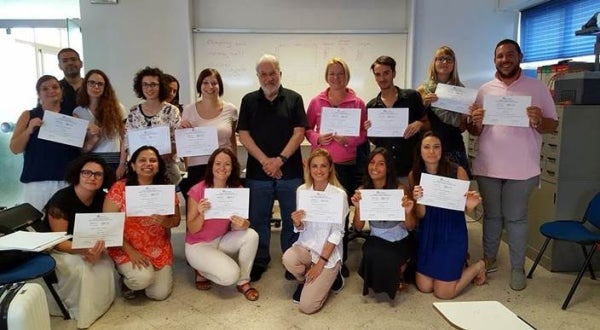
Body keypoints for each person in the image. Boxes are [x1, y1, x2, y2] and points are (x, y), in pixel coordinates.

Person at [467, 39, 558, 291]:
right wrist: (474, 122)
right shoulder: (485, 90)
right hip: (488, 166)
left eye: (509, 55)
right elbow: (475, 131)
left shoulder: (537, 88)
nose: (504, 60)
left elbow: (553, 124)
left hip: (523, 168)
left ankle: (517, 268)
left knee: (516, 219)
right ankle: (489, 260)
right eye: (499, 56)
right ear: (494, 59)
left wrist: (539, 121)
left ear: (519, 56)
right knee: (493, 217)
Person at [237, 54, 308, 282]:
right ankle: (259, 260)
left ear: (280, 73)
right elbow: (244, 134)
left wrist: (279, 160)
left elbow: (300, 133)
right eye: (264, 74)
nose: (269, 78)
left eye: (272, 73)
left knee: (292, 219)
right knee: (258, 219)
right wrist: (266, 161)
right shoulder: (248, 100)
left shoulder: (294, 99)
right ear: (258, 76)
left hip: (290, 171)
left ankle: (291, 259)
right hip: (258, 173)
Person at [305, 57, 367, 277]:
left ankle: (340, 259)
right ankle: (314, 254)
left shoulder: (358, 103)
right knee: (319, 211)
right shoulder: (316, 101)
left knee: (341, 215)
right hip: (321, 167)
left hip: (346, 165)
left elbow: (363, 134)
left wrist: (348, 140)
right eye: (332, 73)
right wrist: (317, 138)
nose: (336, 77)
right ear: (326, 76)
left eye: (340, 73)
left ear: (346, 76)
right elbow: (306, 129)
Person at [409, 131, 487, 299]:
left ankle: (479, 266)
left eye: (436, 147)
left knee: (443, 293)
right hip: (429, 232)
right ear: (420, 151)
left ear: (442, 150)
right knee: (424, 287)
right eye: (427, 147)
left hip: (452, 231)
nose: (432, 152)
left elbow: (465, 209)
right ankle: (456, 267)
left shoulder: (457, 171)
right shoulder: (414, 174)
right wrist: (418, 200)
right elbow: (420, 215)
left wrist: (471, 207)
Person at [43, 154, 117, 328]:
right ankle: (79, 309)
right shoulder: (61, 200)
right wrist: (85, 251)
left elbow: (106, 228)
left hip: (90, 244)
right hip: (60, 248)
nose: (92, 177)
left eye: (98, 174)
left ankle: (100, 304)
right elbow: (59, 241)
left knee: (105, 263)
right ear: (78, 174)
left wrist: (97, 249)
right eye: (87, 172)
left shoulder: (102, 197)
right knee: (82, 267)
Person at [104, 145, 181, 300]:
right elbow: (109, 224)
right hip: (126, 246)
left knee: (159, 294)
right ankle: (127, 281)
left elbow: (176, 220)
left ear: (159, 166)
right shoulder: (120, 188)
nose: (148, 164)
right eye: (142, 160)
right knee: (141, 280)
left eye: (153, 160)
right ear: (133, 165)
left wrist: (166, 221)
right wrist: (130, 251)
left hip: (158, 247)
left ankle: (146, 275)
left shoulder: (165, 189)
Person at [185, 148, 259, 301]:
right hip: (198, 245)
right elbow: (192, 229)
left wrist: (244, 223)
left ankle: (244, 281)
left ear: (233, 168)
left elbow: (238, 225)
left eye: (227, 164)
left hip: (221, 239)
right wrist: (201, 213)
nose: (222, 168)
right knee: (229, 276)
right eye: (218, 163)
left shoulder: (236, 189)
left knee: (251, 235)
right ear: (211, 166)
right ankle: (201, 270)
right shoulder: (197, 190)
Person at [283, 148, 348, 314]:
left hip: (328, 254)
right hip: (306, 247)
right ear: (309, 169)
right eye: (315, 166)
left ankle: (332, 276)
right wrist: (297, 223)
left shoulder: (339, 195)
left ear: (330, 168)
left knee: (307, 307)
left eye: (323, 166)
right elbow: (302, 228)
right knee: (289, 258)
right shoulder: (302, 191)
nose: (319, 171)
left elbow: (337, 233)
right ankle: (306, 280)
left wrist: (320, 264)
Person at [350, 147, 417, 300]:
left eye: (381, 163)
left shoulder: (400, 189)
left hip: (400, 238)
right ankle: (395, 272)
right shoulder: (363, 191)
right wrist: (358, 208)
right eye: (372, 162)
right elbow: (358, 227)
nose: (375, 167)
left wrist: (407, 212)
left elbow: (411, 226)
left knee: (389, 257)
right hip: (376, 238)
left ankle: (400, 269)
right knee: (372, 253)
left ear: (388, 167)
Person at [9, 75, 80, 211]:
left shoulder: (72, 116)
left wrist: (92, 136)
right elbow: (15, 148)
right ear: (38, 93)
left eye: (55, 87)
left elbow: (82, 150)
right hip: (37, 181)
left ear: (61, 91)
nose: (51, 91)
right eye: (45, 88)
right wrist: (29, 129)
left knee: (66, 222)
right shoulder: (28, 115)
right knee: (38, 224)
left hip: (67, 180)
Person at [364, 56, 429, 187]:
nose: (382, 78)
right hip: (385, 172)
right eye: (378, 74)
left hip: (410, 167)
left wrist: (419, 124)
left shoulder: (412, 97)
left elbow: (428, 125)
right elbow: (376, 141)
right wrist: (368, 130)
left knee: (412, 205)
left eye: (386, 73)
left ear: (393, 73)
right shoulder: (371, 106)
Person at [180, 68, 238, 195]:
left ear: (220, 86)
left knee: (223, 205)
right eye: (205, 82)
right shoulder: (188, 110)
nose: (210, 87)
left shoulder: (231, 110)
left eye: (214, 83)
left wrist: (235, 163)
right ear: (199, 85)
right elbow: (185, 143)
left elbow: (232, 138)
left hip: (223, 166)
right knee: (198, 207)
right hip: (197, 166)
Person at [417, 46, 471, 178]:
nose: (445, 63)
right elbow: (418, 124)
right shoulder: (423, 90)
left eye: (449, 59)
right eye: (440, 59)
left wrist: (465, 115)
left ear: (454, 64)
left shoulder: (461, 91)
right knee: (431, 193)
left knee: (457, 193)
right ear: (434, 63)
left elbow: (462, 128)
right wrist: (424, 104)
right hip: (431, 150)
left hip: (454, 147)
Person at [125, 67, 182, 185]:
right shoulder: (134, 112)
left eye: (153, 84)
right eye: (145, 84)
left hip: (166, 166)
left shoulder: (172, 111)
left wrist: (155, 157)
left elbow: (179, 141)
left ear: (161, 86)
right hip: (140, 168)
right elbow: (127, 140)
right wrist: (122, 164)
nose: (149, 88)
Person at [73, 69, 127, 178]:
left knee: (113, 194)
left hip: (115, 160)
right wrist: (94, 139)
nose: (96, 86)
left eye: (100, 84)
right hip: (90, 162)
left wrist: (122, 164)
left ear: (105, 87)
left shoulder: (118, 108)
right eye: (92, 83)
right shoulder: (78, 112)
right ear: (85, 85)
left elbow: (125, 138)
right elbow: (81, 149)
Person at [57, 48, 84, 115]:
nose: (70, 63)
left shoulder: (91, 86)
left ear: (81, 63)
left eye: (73, 59)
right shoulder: (55, 88)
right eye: (65, 61)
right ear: (60, 66)